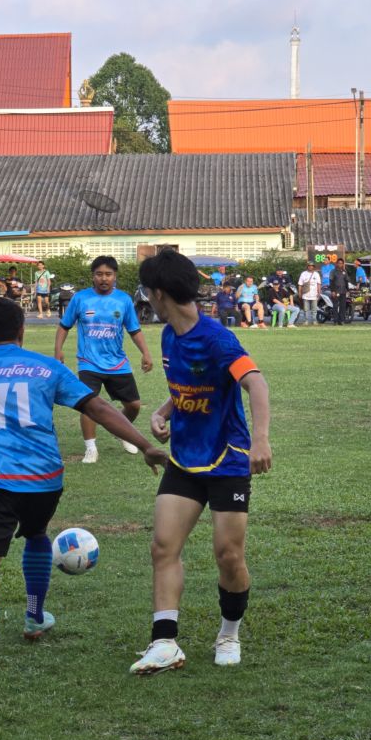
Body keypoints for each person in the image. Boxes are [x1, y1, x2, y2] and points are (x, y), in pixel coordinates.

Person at [0, 299, 165, 678]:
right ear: (22, 331)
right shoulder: (47, 368)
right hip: (45, 480)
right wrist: (145, 445)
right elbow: (99, 408)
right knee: (36, 533)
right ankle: (35, 616)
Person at [129, 249, 272, 674]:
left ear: (159, 293)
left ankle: (229, 633)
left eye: (146, 292)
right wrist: (163, 411)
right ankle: (164, 642)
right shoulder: (168, 336)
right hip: (184, 459)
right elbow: (186, 385)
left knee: (228, 555)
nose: (146, 299)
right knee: (163, 547)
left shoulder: (216, 338)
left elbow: (256, 383)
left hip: (227, 460)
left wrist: (260, 440)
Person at [54, 256, 155, 464]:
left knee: (134, 405)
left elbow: (134, 330)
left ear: (115, 276)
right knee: (88, 404)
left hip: (117, 363)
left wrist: (146, 353)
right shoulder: (80, 298)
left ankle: (120, 430)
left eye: (108, 274)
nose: (103, 278)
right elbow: (64, 326)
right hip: (88, 362)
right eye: (99, 274)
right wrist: (58, 350)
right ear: (93, 276)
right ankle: (91, 449)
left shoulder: (124, 300)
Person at [329, 260, 350, 324]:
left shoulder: (344, 271)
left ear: (343, 264)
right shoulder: (333, 271)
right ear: (336, 264)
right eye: (339, 263)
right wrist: (332, 291)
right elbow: (331, 282)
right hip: (336, 291)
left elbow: (346, 281)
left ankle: (341, 320)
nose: (340, 264)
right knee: (335, 306)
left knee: (343, 306)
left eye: (341, 263)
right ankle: (335, 320)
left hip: (343, 291)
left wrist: (348, 290)